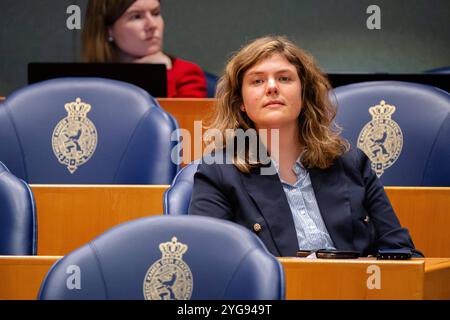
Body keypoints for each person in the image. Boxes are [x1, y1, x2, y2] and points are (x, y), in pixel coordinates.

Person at [188, 36, 423, 258]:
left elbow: (401, 252)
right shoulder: (218, 172)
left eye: (284, 78)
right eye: (257, 81)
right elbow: (210, 261)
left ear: (304, 94)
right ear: (240, 103)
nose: (271, 88)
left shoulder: (351, 163)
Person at [82, 0, 207, 98]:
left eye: (155, 13)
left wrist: (162, 75)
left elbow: (179, 127)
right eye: (136, 16)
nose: (152, 25)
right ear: (108, 30)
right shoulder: (88, 81)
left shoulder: (186, 74)